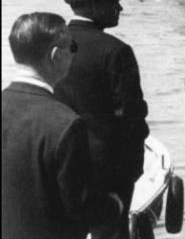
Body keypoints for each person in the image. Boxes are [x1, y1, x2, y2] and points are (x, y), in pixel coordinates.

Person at [3, 12, 123, 239]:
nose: (73, 54)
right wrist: (111, 206)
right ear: (56, 55)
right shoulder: (66, 124)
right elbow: (78, 204)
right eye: (72, 47)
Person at [56, 0, 149, 239]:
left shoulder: (53, 45)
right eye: (113, 1)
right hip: (107, 170)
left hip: (60, 163)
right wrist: (132, 169)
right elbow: (132, 116)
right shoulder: (116, 51)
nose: (119, 7)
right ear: (94, 5)